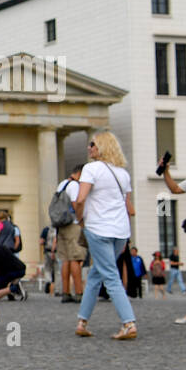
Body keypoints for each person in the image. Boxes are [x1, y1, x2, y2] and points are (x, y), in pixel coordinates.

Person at [73, 131, 137, 340]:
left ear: (101, 147)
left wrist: (80, 220)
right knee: (96, 274)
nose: (89, 148)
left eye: (92, 144)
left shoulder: (90, 169)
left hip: (98, 228)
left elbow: (80, 199)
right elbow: (129, 207)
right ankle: (82, 321)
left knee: (110, 276)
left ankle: (129, 323)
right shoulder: (123, 173)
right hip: (121, 231)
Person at [54, 166, 85, 303]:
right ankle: (79, 292)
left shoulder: (62, 184)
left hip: (61, 225)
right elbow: (76, 203)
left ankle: (65, 292)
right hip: (72, 223)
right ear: (80, 173)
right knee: (75, 258)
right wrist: (81, 220)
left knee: (65, 258)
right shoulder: (74, 185)